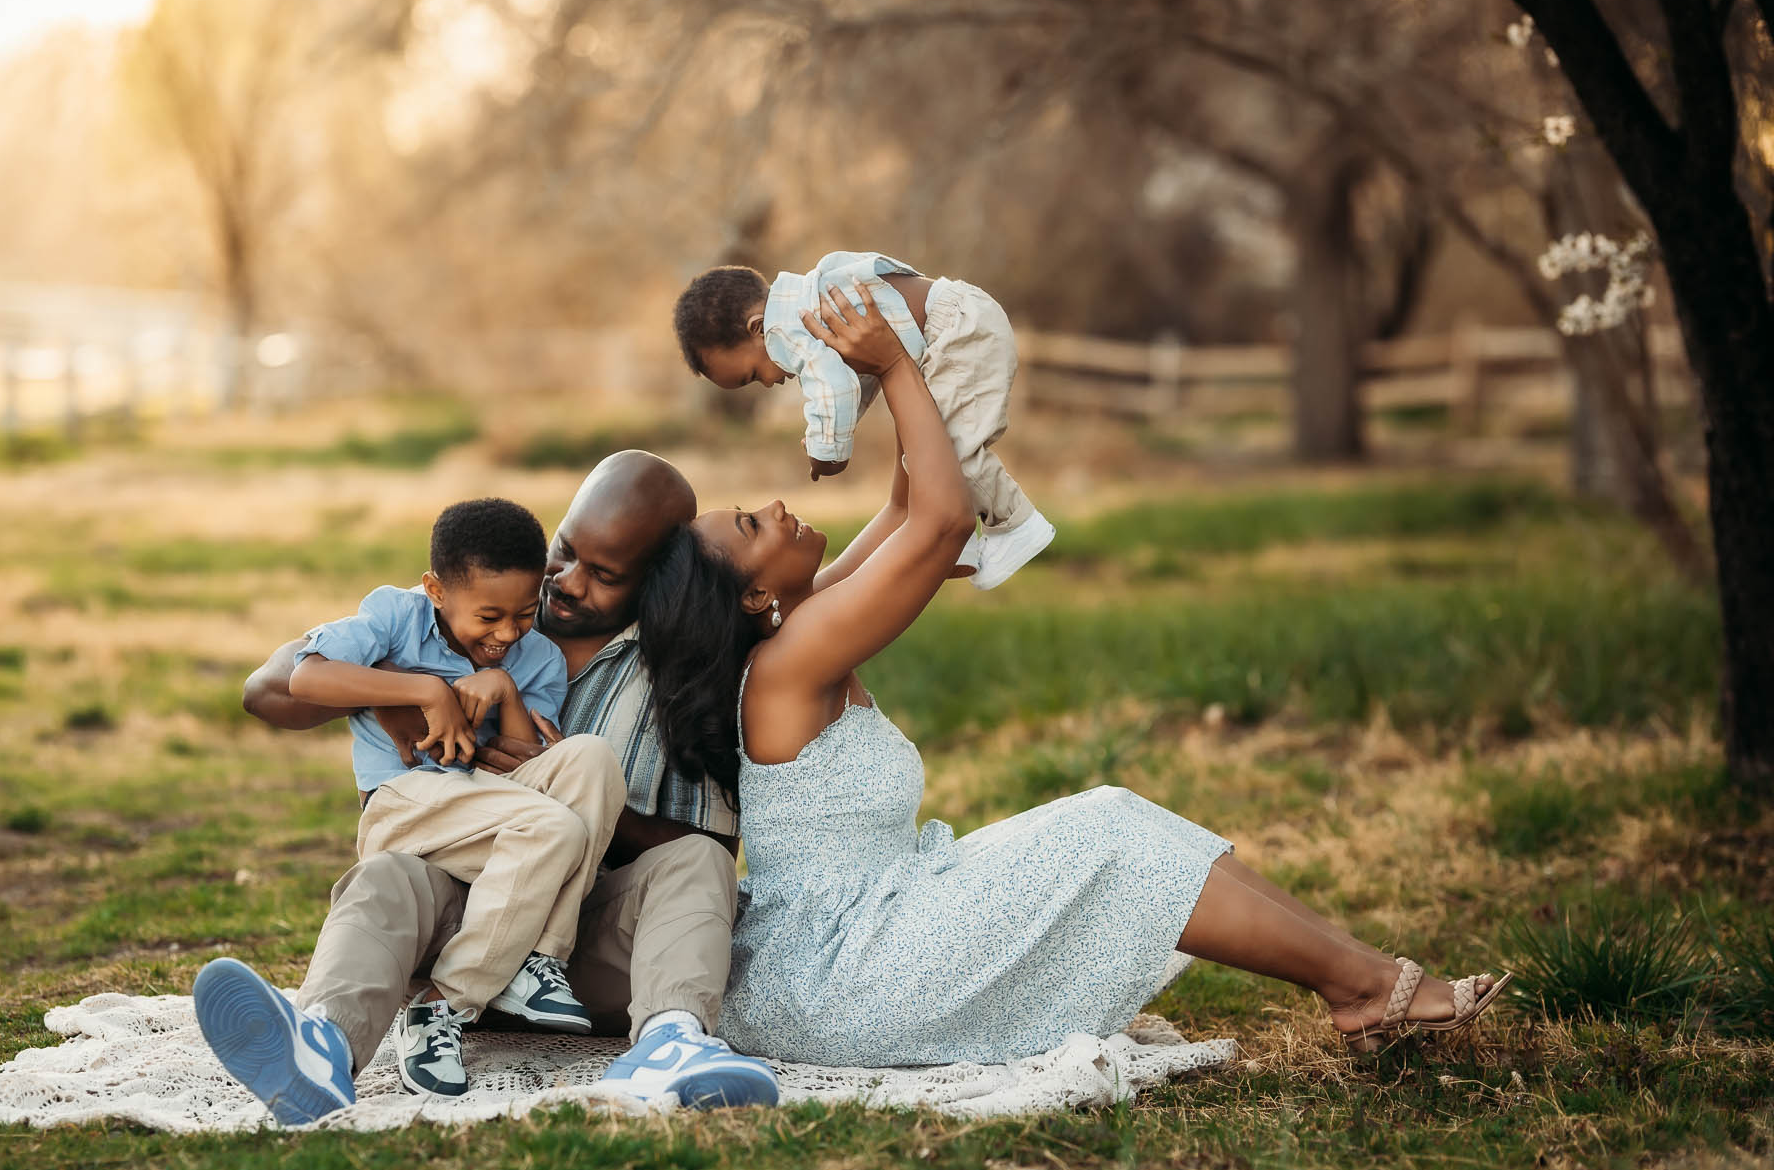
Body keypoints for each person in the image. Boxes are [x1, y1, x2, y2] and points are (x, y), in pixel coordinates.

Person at [638, 283, 1509, 1068]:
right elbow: (942, 526)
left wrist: (929, 356)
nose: (779, 506)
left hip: (866, 938)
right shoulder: (793, 659)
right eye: (753, 521)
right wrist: (896, 364)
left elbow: (909, 507)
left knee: (1119, 820)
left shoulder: (801, 629)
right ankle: (1362, 990)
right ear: (754, 592)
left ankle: (1368, 980)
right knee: (1110, 835)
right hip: (841, 976)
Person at [223, 452, 777, 1124]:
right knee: (389, 878)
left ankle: (670, 1038)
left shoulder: (675, 670)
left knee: (694, 856)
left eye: (603, 575)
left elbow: (712, 842)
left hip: (584, 942)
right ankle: (323, 1043)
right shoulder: (483, 607)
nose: (566, 584)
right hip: (451, 912)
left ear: (652, 582)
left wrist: (545, 790)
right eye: (564, 552)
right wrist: (397, 695)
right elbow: (270, 686)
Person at [194, 498, 626, 1115]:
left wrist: (501, 689)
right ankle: (449, 999)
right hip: (404, 805)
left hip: (491, 811)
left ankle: (531, 962)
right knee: (551, 826)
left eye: (524, 615)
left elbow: (525, 763)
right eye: (489, 616)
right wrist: (425, 690)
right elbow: (305, 678)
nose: (506, 634)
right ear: (435, 590)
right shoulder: (395, 616)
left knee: (591, 760)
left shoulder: (536, 659)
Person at [672, 251, 1054, 589]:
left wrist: (828, 451)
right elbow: (859, 378)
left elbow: (834, 387)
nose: (769, 383)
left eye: (754, 375)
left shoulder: (793, 326)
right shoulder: (813, 295)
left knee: (947, 451)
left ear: (758, 328)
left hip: (958, 332)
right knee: (930, 454)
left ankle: (1015, 525)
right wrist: (837, 425)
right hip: (957, 325)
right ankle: (964, 544)